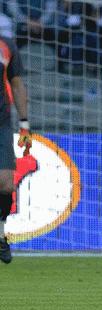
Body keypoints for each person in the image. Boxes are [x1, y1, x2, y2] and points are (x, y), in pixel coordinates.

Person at [0, 35, 31, 264]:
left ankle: (1, 235)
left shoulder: (6, 45)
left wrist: (24, 123)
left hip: (2, 120)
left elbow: (17, 83)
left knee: (6, 182)